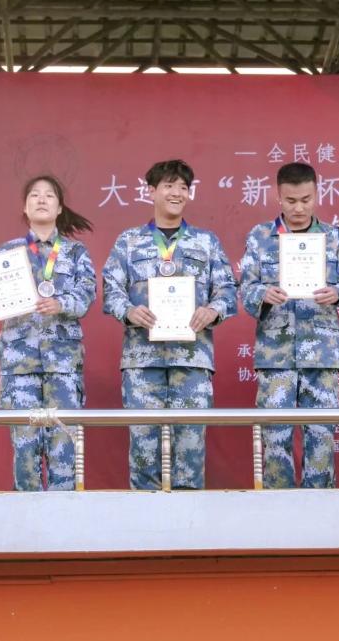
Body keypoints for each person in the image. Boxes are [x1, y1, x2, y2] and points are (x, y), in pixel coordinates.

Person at [102, 159, 237, 490]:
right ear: (151, 191)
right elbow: (110, 288)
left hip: (192, 361)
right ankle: (146, 519)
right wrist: (128, 311)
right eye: (169, 186)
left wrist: (213, 311)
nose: (177, 193)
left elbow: (228, 290)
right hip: (142, 361)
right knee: (144, 449)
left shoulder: (206, 242)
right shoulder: (129, 241)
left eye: (183, 187)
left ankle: (188, 519)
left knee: (190, 449)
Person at [238, 162, 339, 488]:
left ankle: (319, 509)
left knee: (321, 438)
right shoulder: (260, 236)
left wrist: (337, 293)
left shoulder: (333, 237)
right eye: (291, 200)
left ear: (317, 195)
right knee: (274, 439)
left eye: (306, 200)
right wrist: (263, 294)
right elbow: (245, 289)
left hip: (322, 353)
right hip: (275, 354)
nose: (298, 208)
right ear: (278, 196)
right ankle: (278, 508)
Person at [0, 175, 96, 491]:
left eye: (49, 195)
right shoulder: (5, 254)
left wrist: (61, 304)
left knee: (63, 446)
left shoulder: (75, 252)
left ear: (59, 207)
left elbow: (87, 295)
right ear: (24, 208)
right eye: (34, 195)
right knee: (25, 447)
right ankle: (26, 517)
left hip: (63, 365)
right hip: (19, 365)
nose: (42, 199)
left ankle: (63, 517)